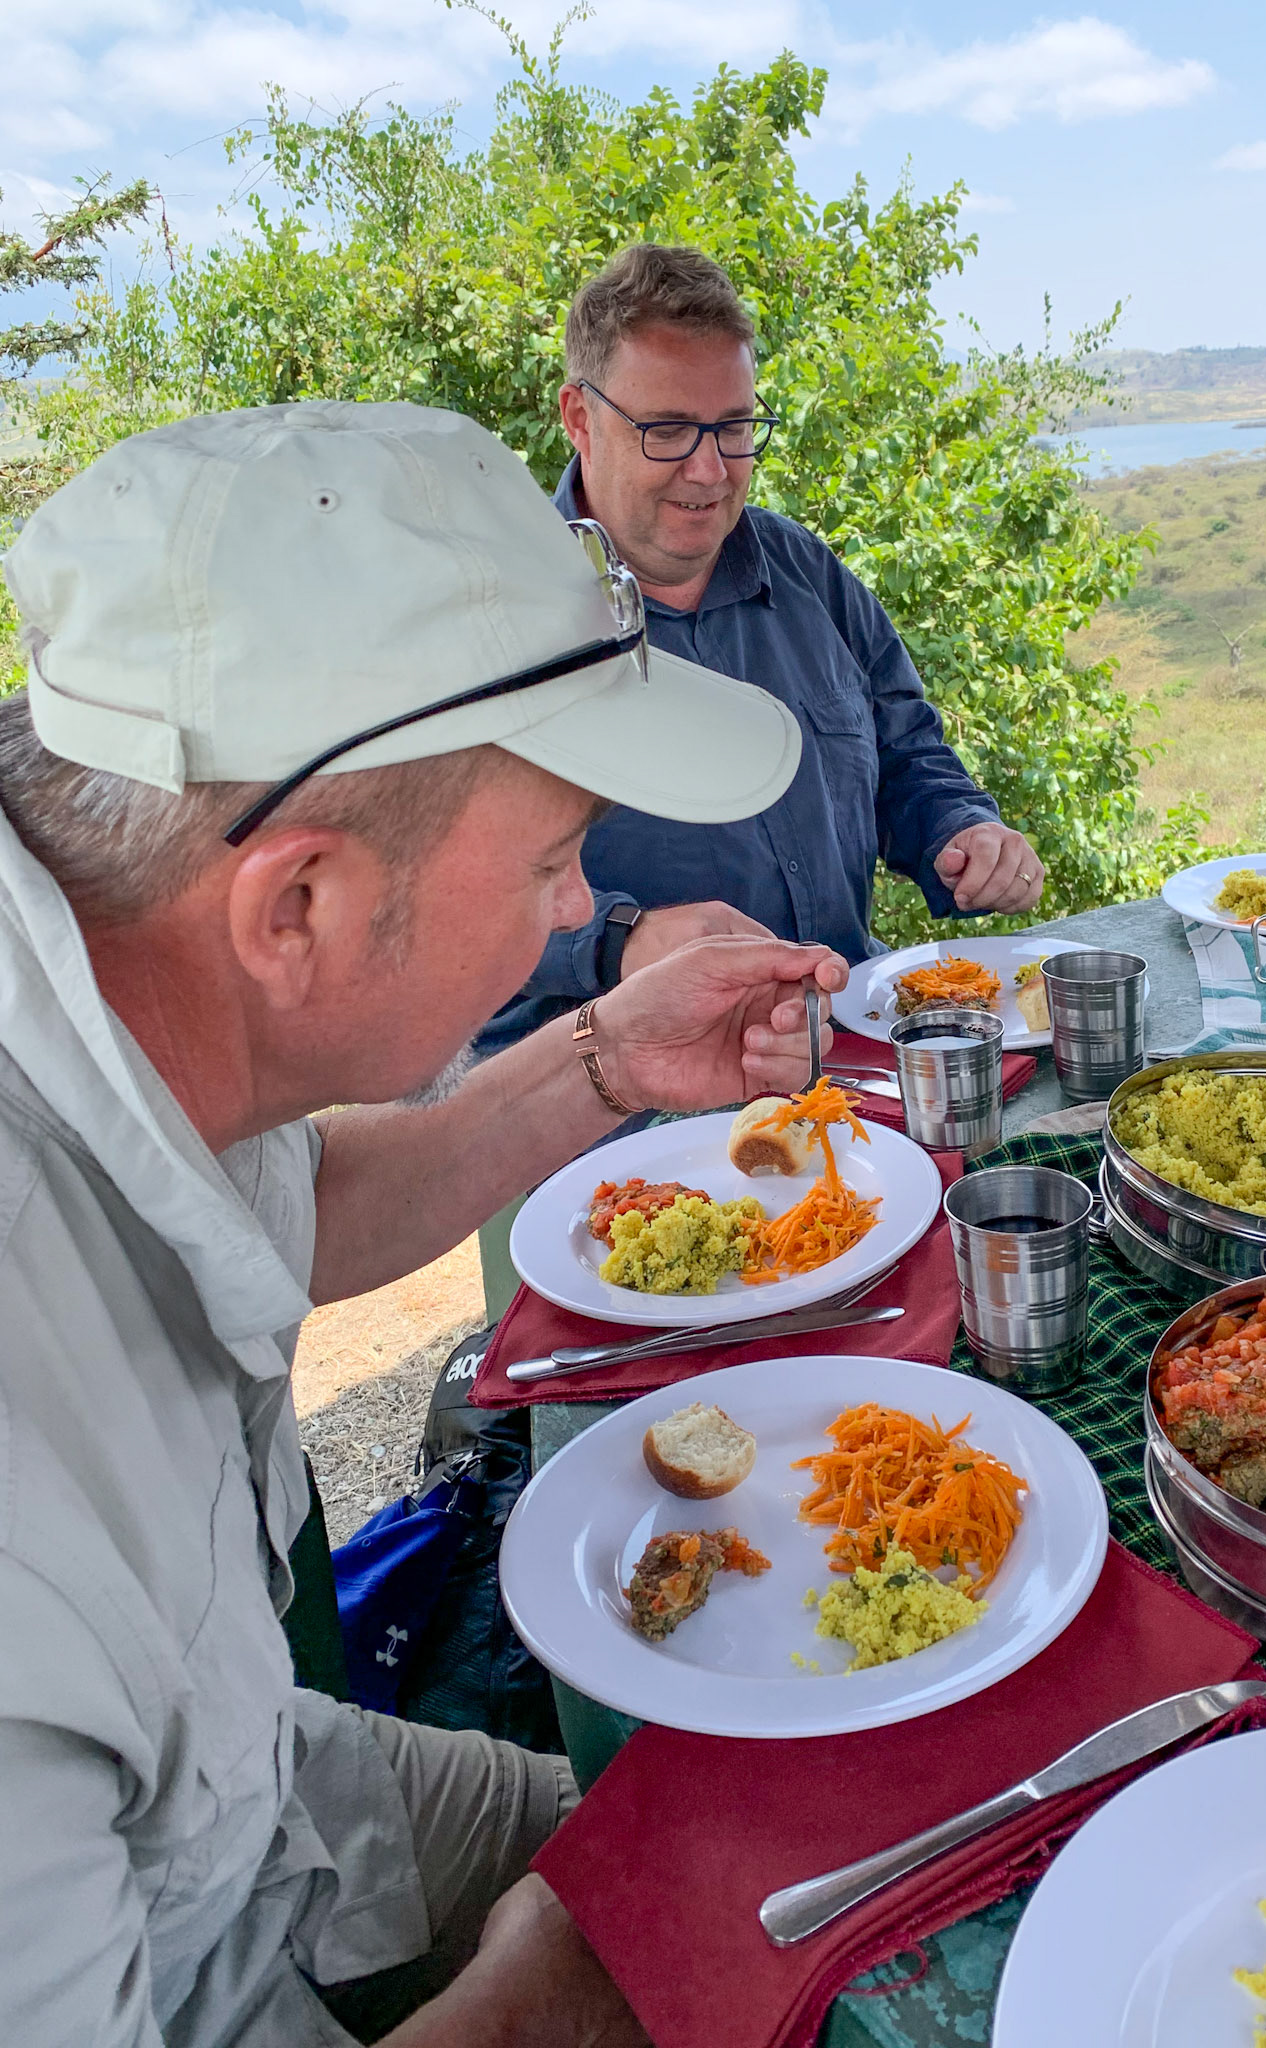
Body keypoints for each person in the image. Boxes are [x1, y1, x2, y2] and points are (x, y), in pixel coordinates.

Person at [0, 399, 848, 2047]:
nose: (576, 909)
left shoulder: (121, 995)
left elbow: (289, 1210)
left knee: (773, 1853)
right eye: (552, 859)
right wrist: (547, 2000)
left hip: (268, 1807)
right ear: (296, 906)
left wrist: (607, 1054)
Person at [475, 242, 1045, 1055]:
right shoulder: (487, 620)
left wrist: (961, 831)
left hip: (840, 1049)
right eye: (669, 430)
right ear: (579, 418)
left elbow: (907, 754)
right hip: (600, 1093)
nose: (710, 470)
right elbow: (436, 898)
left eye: (734, 428)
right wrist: (623, 940)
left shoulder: (804, 570)